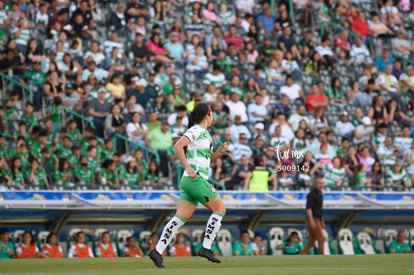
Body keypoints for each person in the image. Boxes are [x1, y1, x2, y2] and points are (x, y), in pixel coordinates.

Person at [148, 102, 228, 268]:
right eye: (212, 113)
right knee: (220, 209)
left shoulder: (204, 133)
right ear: (207, 115)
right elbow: (177, 145)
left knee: (180, 218)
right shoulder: (197, 130)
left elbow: (207, 160)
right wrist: (187, 166)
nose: (213, 117)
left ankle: (157, 250)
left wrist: (218, 154)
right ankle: (206, 247)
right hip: (195, 178)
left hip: (191, 180)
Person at [300, 178, 325, 255]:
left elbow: (320, 209)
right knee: (321, 238)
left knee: (312, 240)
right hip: (313, 218)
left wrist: (322, 220)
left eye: (322, 183)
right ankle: (322, 255)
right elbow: (309, 208)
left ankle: (301, 254)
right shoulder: (311, 194)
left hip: (318, 218)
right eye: (319, 183)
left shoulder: (320, 194)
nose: (321, 185)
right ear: (315, 184)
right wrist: (311, 221)